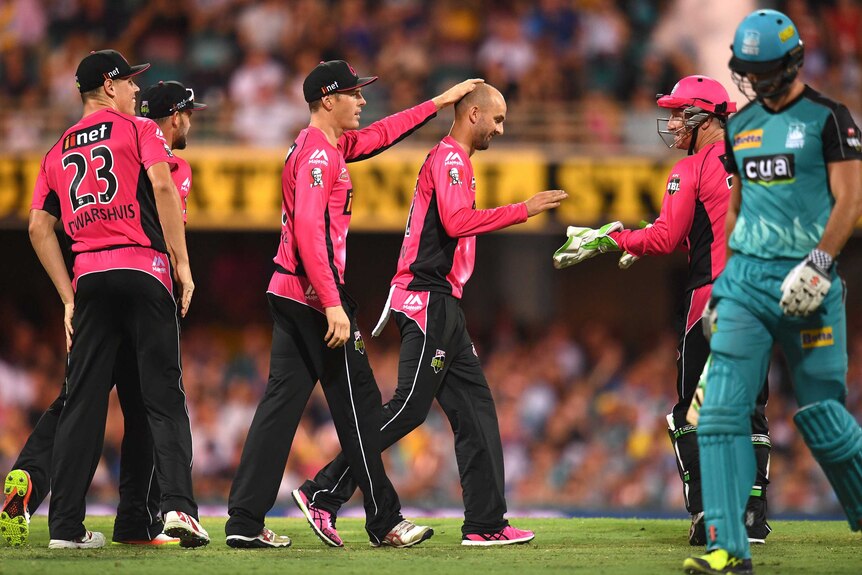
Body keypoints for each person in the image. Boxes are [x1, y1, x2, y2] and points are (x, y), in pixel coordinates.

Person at [292, 83, 566, 548]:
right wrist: (524, 209)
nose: (500, 129)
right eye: (497, 120)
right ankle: (323, 491)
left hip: (444, 302)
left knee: (476, 410)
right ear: (473, 113)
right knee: (407, 408)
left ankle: (485, 522)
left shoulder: (454, 160)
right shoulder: (452, 160)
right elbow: (457, 223)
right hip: (426, 298)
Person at [224, 60, 483, 549]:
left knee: (280, 408)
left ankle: (243, 520)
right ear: (328, 99)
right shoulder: (321, 157)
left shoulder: (322, 145)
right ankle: (378, 518)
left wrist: (438, 103)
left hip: (287, 292)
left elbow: (383, 134)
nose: (362, 101)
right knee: (361, 407)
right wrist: (331, 303)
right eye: (353, 94)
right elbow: (308, 233)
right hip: (315, 298)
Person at [551, 76, 772, 546]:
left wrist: (611, 239)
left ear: (705, 119)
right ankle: (753, 515)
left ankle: (705, 515)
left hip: (710, 296)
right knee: (750, 406)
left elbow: (665, 238)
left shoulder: (688, 168)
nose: (671, 123)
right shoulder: (757, 158)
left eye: (679, 114)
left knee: (690, 413)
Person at [683, 9, 862, 575]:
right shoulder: (739, 127)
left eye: (764, 68)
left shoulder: (831, 119)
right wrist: (722, 286)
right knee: (716, 417)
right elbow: (736, 213)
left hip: (810, 280)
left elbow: (851, 201)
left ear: (791, 62)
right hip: (746, 285)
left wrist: (819, 264)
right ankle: (728, 550)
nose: (754, 79)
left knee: (821, 417)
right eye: (748, 69)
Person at [0, 79, 207, 548]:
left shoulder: (57, 148)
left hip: (89, 280)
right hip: (144, 272)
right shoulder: (150, 142)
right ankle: (163, 512)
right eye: (129, 80)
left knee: (78, 403)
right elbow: (163, 188)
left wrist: (68, 298)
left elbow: (38, 226)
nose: (134, 88)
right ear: (111, 87)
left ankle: (50, 507)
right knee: (156, 401)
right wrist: (183, 266)